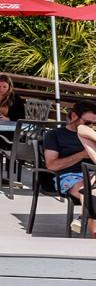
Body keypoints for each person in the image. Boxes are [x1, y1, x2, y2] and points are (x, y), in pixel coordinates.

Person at [43, 100, 96, 235]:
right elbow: (52, 165)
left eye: (94, 124)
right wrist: (82, 155)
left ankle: (82, 217)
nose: (91, 127)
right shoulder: (54, 135)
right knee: (90, 192)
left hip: (93, 174)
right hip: (70, 176)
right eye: (88, 123)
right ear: (73, 116)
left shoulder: (90, 135)